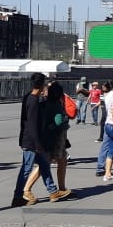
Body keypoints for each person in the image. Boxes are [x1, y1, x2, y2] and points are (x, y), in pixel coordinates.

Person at [13, 73, 65, 206]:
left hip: (30, 139)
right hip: (32, 142)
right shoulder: (34, 101)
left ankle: (53, 191)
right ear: (42, 85)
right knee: (26, 169)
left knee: (44, 165)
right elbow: (32, 124)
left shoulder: (28, 97)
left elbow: (24, 121)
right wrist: (37, 144)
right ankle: (18, 196)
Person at [25, 82, 72, 201]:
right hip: (55, 139)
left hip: (45, 138)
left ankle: (60, 189)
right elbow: (58, 122)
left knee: (61, 161)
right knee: (46, 163)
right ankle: (27, 189)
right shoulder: (56, 106)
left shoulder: (43, 104)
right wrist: (64, 122)